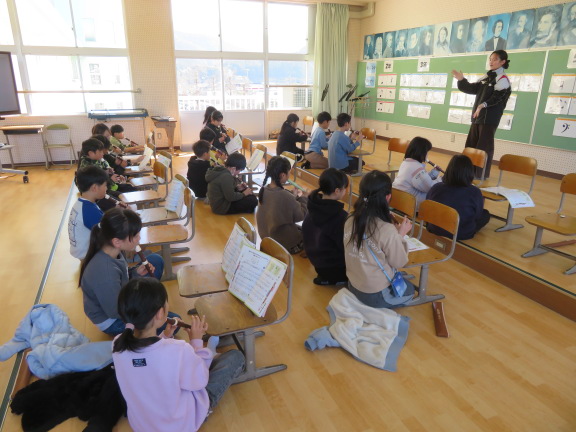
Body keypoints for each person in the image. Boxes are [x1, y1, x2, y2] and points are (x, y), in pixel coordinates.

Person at [112, 278, 245, 432]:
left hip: (143, 426)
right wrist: (196, 341)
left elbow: (148, 362)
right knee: (236, 357)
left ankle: (209, 354)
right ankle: (209, 357)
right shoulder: (178, 350)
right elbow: (200, 381)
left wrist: (165, 336)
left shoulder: (117, 344)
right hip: (180, 425)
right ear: (160, 313)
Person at [79, 208, 172, 336]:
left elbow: (121, 275)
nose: (139, 239)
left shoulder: (113, 250)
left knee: (155, 260)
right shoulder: (105, 273)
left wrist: (136, 273)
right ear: (117, 241)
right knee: (173, 322)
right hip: (114, 320)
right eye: (135, 236)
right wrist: (146, 309)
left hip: (121, 295)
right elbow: (115, 311)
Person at [344, 171, 415, 308]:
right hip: (374, 294)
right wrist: (400, 234)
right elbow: (399, 261)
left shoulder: (350, 219)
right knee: (410, 290)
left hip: (353, 285)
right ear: (388, 197)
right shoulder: (386, 229)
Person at [452, 50, 511, 178]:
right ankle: (467, 173)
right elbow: (471, 88)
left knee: (483, 148)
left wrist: (483, 105)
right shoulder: (486, 77)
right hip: (477, 117)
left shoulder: (503, 79)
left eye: (495, 59)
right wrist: (461, 80)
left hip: (489, 119)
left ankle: (480, 175)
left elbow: (497, 98)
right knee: (471, 145)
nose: (491, 61)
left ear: (503, 62)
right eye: (490, 59)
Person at [302, 168, 349, 285]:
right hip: (334, 268)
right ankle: (335, 280)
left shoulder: (313, 204)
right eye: (345, 188)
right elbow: (347, 247)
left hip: (316, 261)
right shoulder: (340, 216)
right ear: (337, 191)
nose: (346, 191)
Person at [427, 155, 490, 240]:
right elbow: (477, 215)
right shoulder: (474, 192)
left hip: (435, 229)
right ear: (470, 172)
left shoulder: (436, 187)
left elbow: (428, 206)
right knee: (485, 214)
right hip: (460, 233)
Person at [256, 156, 308, 254]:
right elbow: (301, 215)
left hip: (267, 239)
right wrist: (304, 198)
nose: (289, 175)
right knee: (310, 232)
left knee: (298, 228)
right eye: (289, 172)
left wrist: (293, 196)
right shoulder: (284, 195)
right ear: (283, 175)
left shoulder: (264, 189)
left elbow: (281, 204)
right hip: (282, 244)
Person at [68, 166, 108, 260]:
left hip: (81, 251)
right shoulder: (89, 210)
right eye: (105, 185)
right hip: (89, 255)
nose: (106, 188)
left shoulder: (81, 204)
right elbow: (107, 231)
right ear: (94, 188)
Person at [392, 136, 442, 208]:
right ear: (422, 152)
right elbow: (430, 187)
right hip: (409, 202)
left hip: (399, 197)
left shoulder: (406, 162)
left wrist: (434, 173)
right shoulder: (416, 168)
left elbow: (422, 180)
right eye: (427, 152)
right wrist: (442, 179)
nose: (427, 155)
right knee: (439, 195)